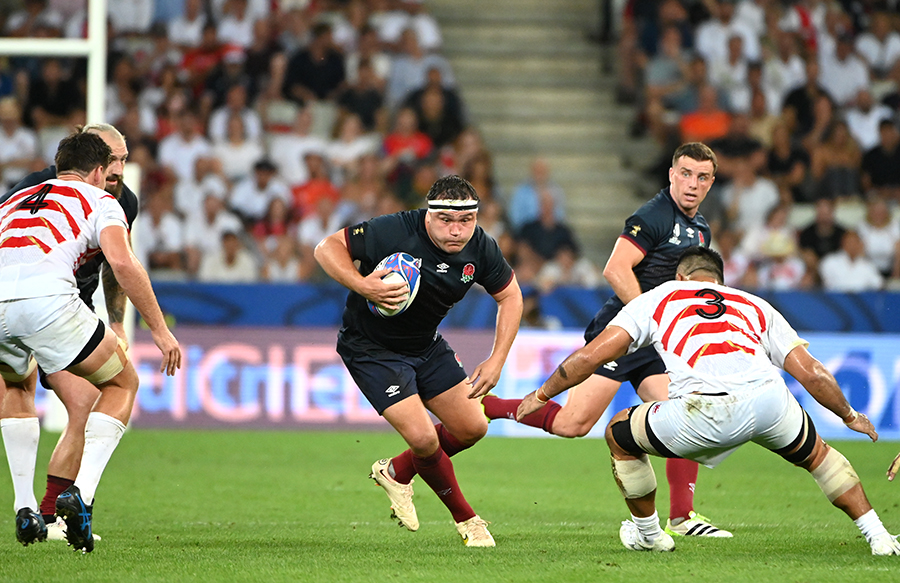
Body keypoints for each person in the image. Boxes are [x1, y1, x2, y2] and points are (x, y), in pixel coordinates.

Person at [518, 247, 900, 556]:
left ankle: (649, 534)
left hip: (701, 413)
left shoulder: (659, 297)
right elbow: (812, 373)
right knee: (819, 456)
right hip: (768, 402)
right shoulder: (754, 303)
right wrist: (849, 415)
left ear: (680, 277)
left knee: (618, 432)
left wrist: (542, 394)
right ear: (720, 282)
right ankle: (879, 536)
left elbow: (590, 357)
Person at [483, 142, 732, 538]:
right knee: (573, 423)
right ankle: (491, 407)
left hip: (652, 340)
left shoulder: (701, 228)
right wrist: (651, 321)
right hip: (620, 333)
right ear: (671, 174)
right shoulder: (653, 215)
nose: (692, 184)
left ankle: (682, 517)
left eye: (701, 177)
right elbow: (615, 269)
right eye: (685, 174)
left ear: (711, 183)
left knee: (685, 415)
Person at [314, 175, 523, 547]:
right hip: (371, 349)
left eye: (466, 220)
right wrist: (362, 285)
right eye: (446, 219)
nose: (456, 230)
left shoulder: (481, 247)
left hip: (426, 345)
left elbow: (511, 296)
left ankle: (396, 471)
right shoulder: (395, 229)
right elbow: (326, 247)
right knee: (424, 439)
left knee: (473, 427)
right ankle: (468, 521)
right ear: (429, 214)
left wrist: (497, 359)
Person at [0, 132, 180, 553]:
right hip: (49, 303)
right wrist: (158, 329)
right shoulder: (100, 200)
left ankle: (25, 508)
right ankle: (79, 495)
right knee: (121, 383)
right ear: (98, 171)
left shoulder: (13, 200)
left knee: (16, 384)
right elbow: (122, 263)